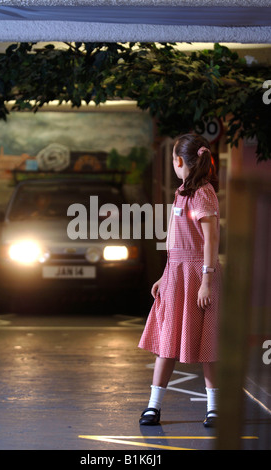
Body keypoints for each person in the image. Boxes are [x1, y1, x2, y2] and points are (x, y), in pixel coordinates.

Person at [138, 133, 221, 428]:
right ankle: (153, 406)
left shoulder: (203, 193)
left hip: (199, 273)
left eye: (173, 159)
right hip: (176, 274)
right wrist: (165, 274)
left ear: (178, 161)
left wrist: (207, 280)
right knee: (166, 342)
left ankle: (213, 409)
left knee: (208, 344)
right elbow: (176, 240)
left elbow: (211, 239)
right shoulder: (181, 192)